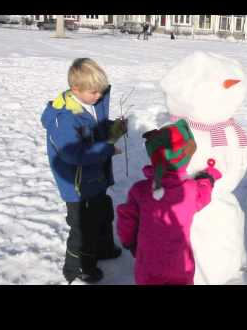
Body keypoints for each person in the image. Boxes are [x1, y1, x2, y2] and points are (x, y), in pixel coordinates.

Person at [41, 58, 128, 284]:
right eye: (93, 92)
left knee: (103, 212)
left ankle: (103, 248)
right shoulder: (65, 119)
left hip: (95, 178)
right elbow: (75, 154)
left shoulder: (90, 103)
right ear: (75, 89)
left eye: (101, 91)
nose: (98, 96)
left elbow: (96, 130)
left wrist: (113, 129)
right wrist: (106, 149)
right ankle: (78, 267)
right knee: (83, 228)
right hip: (77, 185)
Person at [116, 119, 222, 285]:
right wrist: (207, 178)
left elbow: (126, 218)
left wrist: (129, 241)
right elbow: (204, 196)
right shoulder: (190, 189)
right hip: (180, 266)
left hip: (147, 265)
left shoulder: (140, 190)